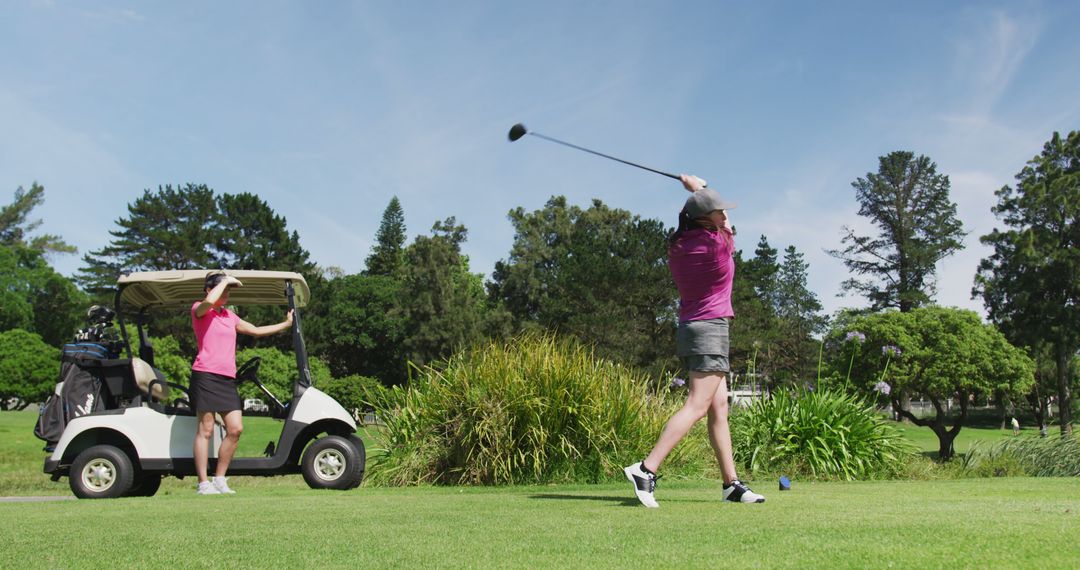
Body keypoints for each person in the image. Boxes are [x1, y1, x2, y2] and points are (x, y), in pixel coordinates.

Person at [624, 174, 765, 507]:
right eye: (716, 211)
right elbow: (729, 227)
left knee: (719, 407)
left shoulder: (678, 246)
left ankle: (731, 484)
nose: (722, 215)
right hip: (711, 330)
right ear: (705, 218)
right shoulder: (718, 244)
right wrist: (698, 188)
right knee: (698, 405)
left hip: (690, 327)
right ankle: (646, 469)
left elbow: (716, 220)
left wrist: (698, 194)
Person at [190, 272, 293, 495]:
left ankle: (219, 479)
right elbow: (208, 302)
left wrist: (285, 324)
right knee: (205, 430)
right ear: (210, 289)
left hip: (227, 378)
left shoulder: (229, 317)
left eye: (228, 291)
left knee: (235, 429)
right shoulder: (200, 309)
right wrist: (226, 280)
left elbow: (256, 330)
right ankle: (203, 483)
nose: (227, 294)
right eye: (224, 290)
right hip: (205, 375)